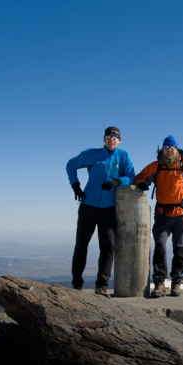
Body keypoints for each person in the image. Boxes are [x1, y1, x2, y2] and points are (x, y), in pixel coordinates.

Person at [135, 136, 183, 297]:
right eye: (166, 147)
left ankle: (176, 282)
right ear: (162, 149)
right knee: (159, 246)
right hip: (162, 214)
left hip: (181, 214)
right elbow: (140, 176)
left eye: (172, 147)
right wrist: (142, 183)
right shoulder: (156, 166)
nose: (169, 150)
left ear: (177, 149)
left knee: (179, 248)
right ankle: (159, 283)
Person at [66, 126, 136, 295]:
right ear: (104, 139)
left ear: (119, 141)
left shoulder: (123, 155)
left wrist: (116, 182)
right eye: (108, 137)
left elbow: (131, 176)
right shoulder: (92, 154)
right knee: (81, 245)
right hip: (88, 207)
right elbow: (71, 164)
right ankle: (76, 284)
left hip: (109, 210)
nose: (111, 139)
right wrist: (75, 185)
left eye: (115, 137)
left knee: (108, 247)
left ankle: (101, 286)